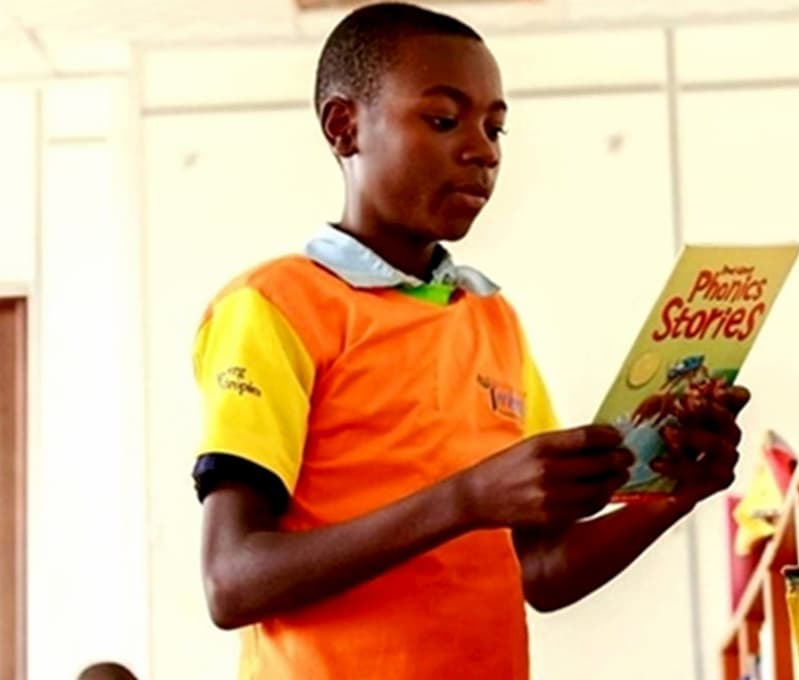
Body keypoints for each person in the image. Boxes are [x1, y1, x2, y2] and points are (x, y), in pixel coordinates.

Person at [191, 3, 749, 678]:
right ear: (344, 127)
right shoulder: (275, 305)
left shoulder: (490, 318)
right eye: (442, 119)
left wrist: (673, 496)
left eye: (496, 127)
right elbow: (232, 581)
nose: (482, 149)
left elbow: (540, 571)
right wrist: (467, 499)